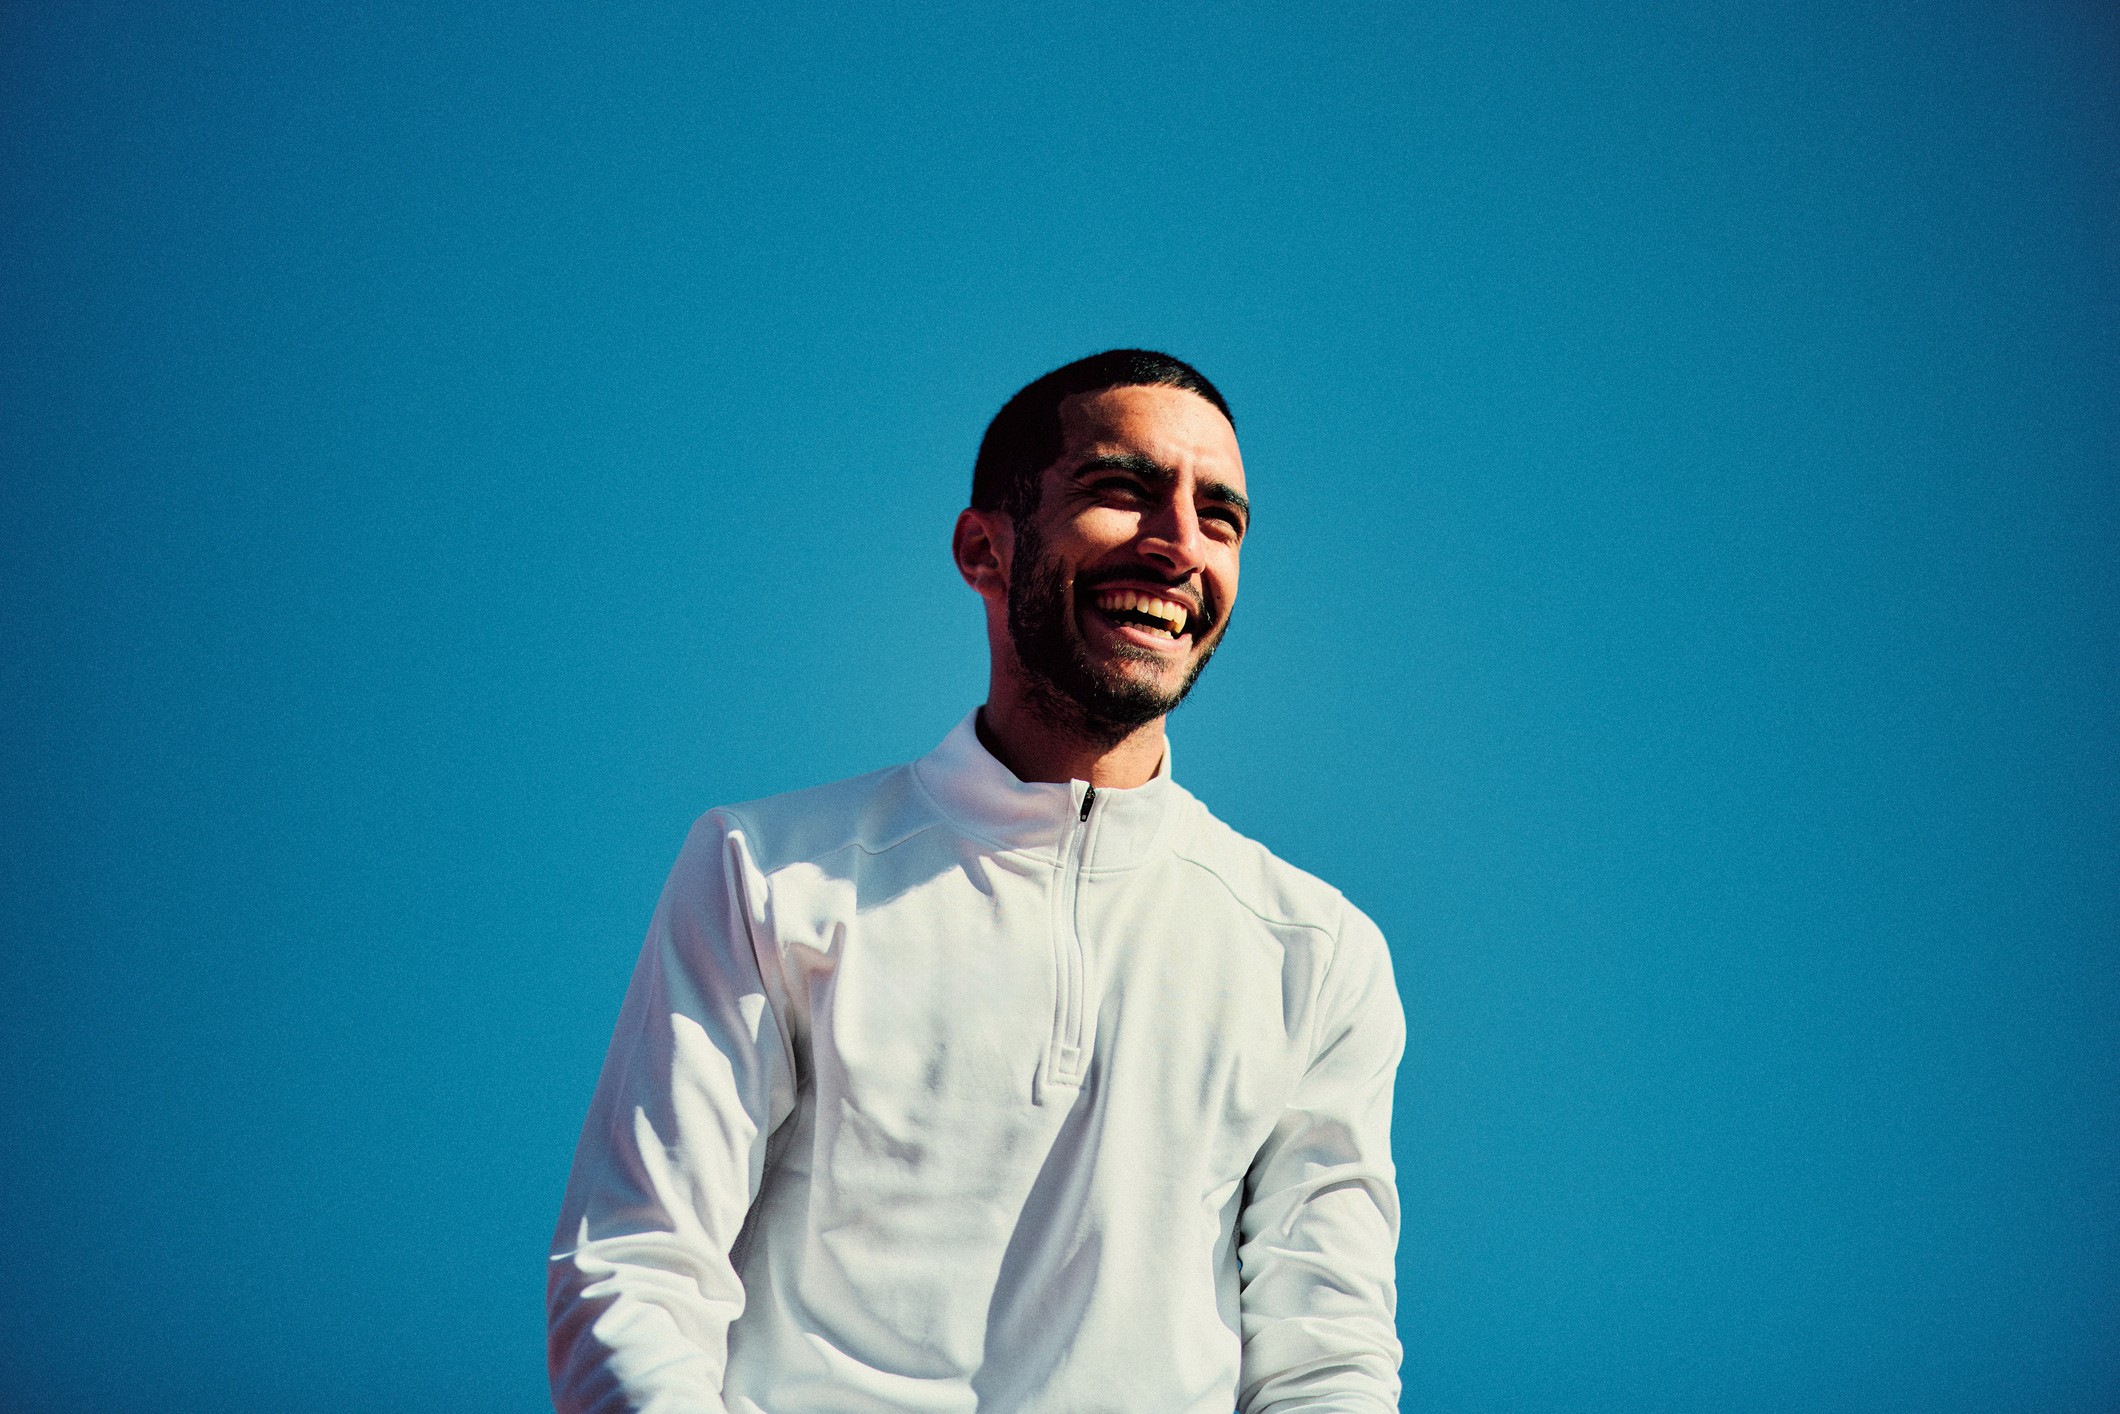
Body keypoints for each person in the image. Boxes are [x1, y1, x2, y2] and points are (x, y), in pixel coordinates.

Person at [548, 350, 1405, 1412]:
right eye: (1120, 491)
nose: (1179, 544)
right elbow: (635, 1272)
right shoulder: (765, 871)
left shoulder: (1314, 951)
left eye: (1218, 518)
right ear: (981, 549)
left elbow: (1327, 1363)